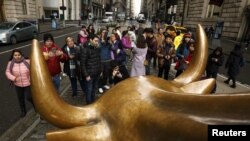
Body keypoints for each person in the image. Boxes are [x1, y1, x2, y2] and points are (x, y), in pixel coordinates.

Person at [5, 49, 34, 117]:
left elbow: (32, 70)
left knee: (29, 97)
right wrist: (13, 78)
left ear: (21, 55)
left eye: (19, 55)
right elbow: (7, 72)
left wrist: (30, 78)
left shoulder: (27, 61)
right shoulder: (10, 63)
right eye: (15, 55)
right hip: (18, 84)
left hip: (28, 83)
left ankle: (35, 106)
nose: (17, 56)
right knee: (20, 98)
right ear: (13, 56)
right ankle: (23, 111)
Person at [80, 34, 102, 104]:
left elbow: (99, 60)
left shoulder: (97, 48)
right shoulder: (85, 49)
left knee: (94, 89)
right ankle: (89, 104)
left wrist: (100, 70)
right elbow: (82, 64)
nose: (97, 43)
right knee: (89, 90)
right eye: (95, 41)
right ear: (90, 40)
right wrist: (86, 75)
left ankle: (93, 103)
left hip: (97, 73)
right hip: (90, 75)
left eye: (97, 41)